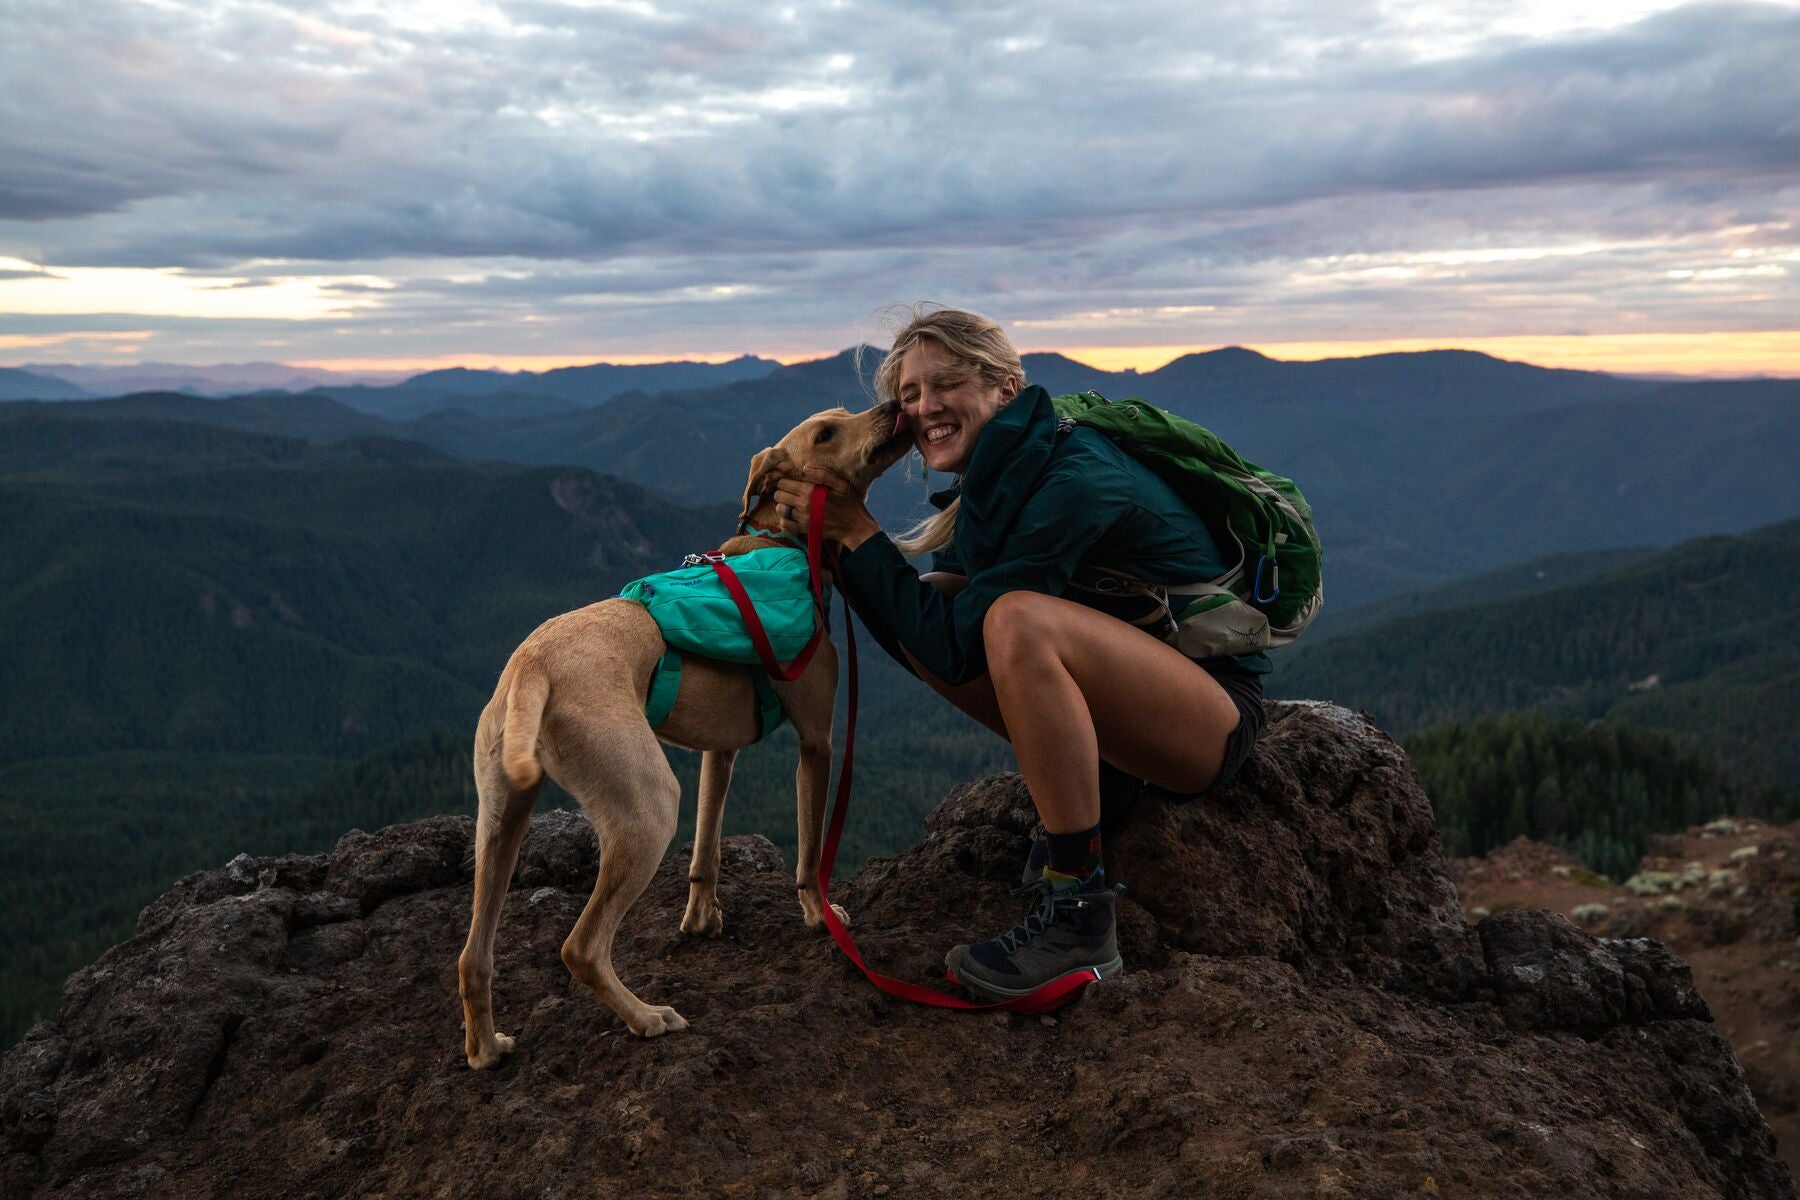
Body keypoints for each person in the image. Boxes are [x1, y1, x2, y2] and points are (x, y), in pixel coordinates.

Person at [770, 304, 1268, 1002]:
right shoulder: (1004, 472)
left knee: (1015, 624)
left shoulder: (1072, 479)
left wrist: (857, 535)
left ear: (1005, 386)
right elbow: (947, 637)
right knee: (945, 591)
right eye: (909, 395)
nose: (923, 408)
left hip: (1207, 723)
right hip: (1140, 706)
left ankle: (1079, 921)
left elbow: (960, 647)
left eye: (945, 384)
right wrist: (835, 543)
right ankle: (1105, 787)